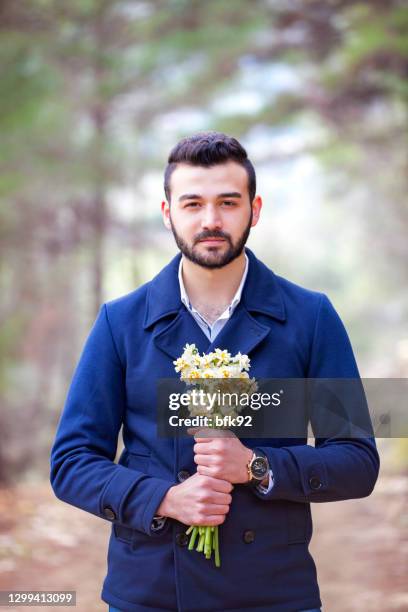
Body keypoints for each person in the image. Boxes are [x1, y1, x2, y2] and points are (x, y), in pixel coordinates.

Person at [50, 131, 380, 612]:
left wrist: (255, 466)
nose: (211, 220)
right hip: (151, 591)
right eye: (192, 204)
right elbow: (72, 462)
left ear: (255, 209)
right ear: (168, 213)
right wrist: (163, 499)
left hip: (273, 592)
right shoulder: (119, 322)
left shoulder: (311, 316)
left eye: (228, 202)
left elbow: (357, 461)